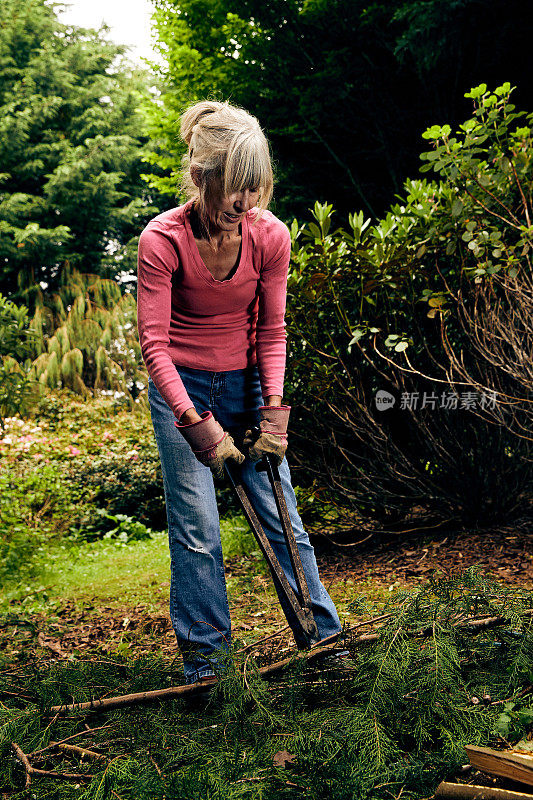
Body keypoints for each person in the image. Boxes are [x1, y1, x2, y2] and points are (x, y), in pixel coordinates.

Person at [137, 100, 342, 685]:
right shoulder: (163, 241)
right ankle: (208, 670)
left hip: (249, 386)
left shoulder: (268, 235)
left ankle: (324, 648)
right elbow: (154, 346)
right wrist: (193, 421)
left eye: (255, 189)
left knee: (284, 517)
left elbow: (272, 329)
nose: (245, 204)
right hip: (182, 387)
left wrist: (272, 410)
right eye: (234, 189)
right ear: (202, 177)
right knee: (198, 529)